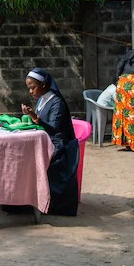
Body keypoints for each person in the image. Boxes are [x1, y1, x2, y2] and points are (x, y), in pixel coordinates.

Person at [21, 68, 79, 216]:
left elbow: (53, 128)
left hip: (59, 146)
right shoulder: (42, 100)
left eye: (33, 87)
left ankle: (46, 204)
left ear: (44, 85)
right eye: (29, 88)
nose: (31, 92)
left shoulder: (57, 102)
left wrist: (35, 117)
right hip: (47, 141)